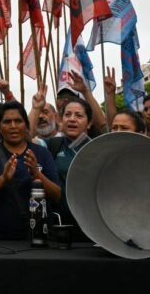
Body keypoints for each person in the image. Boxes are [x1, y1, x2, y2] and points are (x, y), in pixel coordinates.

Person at [0, 101, 61, 240]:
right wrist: (3, 179)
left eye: (18, 121)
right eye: (7, 122)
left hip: (38, 236)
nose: (13, 126)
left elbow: (56, 195)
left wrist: (36, 174)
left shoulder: (42, 153)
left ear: (26, 125)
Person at [44, 96, 94, 239]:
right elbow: (26, 140)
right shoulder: (51, 145)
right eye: (67, 115)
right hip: (59, 228)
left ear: (89, 123)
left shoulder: (98, 148)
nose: (72, 119)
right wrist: (36, 108)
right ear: (60, 120)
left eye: (79, 116)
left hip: (92, 230)